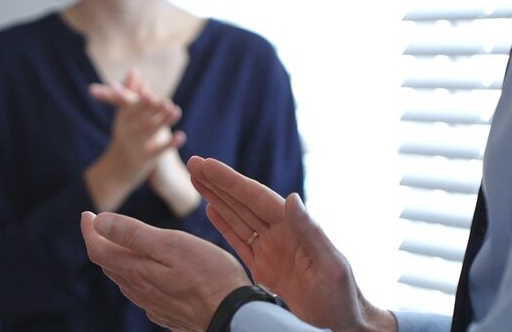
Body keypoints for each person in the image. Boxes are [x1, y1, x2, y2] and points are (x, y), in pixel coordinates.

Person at [0, 0, 304, 330]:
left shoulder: (250, 65)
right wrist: (113, 174)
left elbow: (284, 280)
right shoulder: (5, 63)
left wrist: (179, 187)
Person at [80, 58, 512, 330]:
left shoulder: (251, 65)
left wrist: (230, 310)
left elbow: (263, 274)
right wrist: (369, 325)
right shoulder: (12, 65)